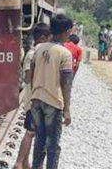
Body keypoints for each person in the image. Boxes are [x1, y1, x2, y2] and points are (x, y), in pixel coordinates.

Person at [29, 14, 74, 169]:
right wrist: (67, 109)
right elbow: (66, 83)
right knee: (53, 146)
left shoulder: (39, 48)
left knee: (39, 142)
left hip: (36, 100)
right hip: (53, 103)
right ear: (66, 31)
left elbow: (31, 75)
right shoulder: (64, 53)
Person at [13, 24, 52, 169]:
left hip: (34, 99)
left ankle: (25, 163)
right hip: (35, 100)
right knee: (30, 133)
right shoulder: (33, 54)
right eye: (49, 38)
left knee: (32, 132)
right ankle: (18, 163)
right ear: (43, 38)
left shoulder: (35, 52)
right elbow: (28, 78)